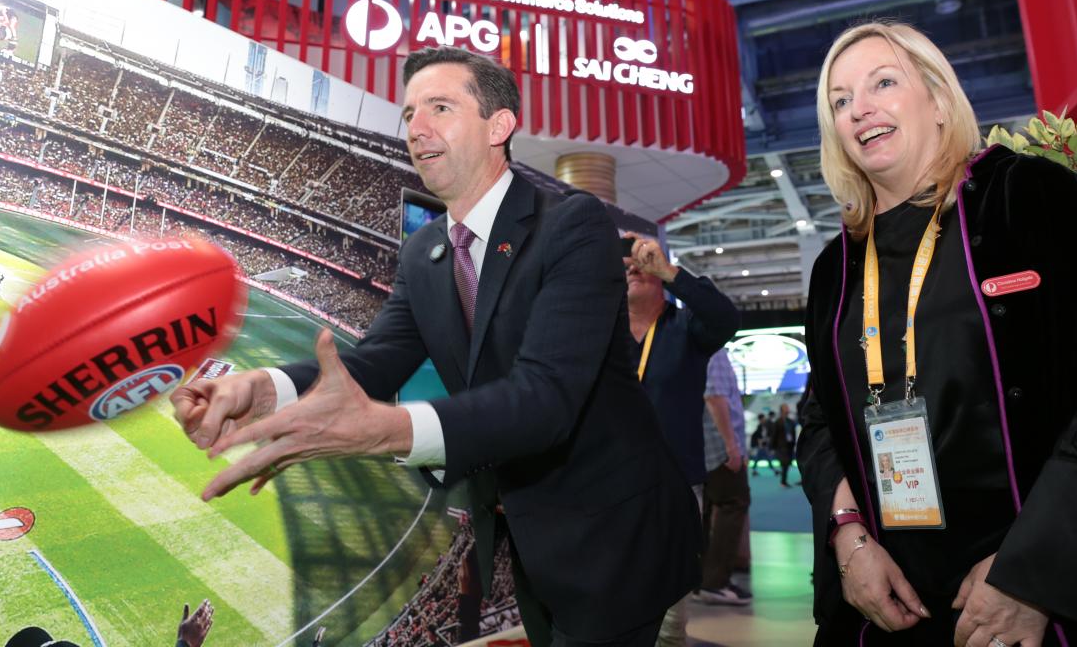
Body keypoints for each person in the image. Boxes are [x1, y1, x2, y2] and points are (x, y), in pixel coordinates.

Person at [172, 46, 701, 647]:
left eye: (440, 107)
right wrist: (261, 388)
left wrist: (386, 429)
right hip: (531, 538)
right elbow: (376, 361)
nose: (416, 128)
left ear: (499, 126)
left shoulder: (570, 225)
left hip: (615, 535)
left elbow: (547, 396)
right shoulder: (425, 256)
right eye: (409, 113)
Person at [796, 21, 1077, 646]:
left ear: (938, 99)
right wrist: (849, 538)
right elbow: (820, 419)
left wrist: (1033, 572)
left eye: (884, 82)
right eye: (840, 100)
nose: (860, 109)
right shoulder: (837, 265)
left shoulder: (1029, 198)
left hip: (1027, 596)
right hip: (885, 599)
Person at [623, 233, 740, 645]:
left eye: (642, 264)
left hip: (674, 487)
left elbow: (726, 318)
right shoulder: (605, 333)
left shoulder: (686, 329)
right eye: (626, 268)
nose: (633, 270)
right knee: (615, 598)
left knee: (669, 612)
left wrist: (670, 271)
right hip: (612, 487)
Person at [695, 347, 754, 606]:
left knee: (707, 511)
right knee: (733, 503)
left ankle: (703, 580)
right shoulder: (714, 351)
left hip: (705, 448)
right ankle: (714, 582)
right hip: (719, 449)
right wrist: (731, 446)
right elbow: (715, 397)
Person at [771, 402, 798, 487]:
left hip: (790, 445)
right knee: (785, 463)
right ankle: (783, 481)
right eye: (786, 407)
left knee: (787, 463)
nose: (788, 409)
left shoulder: (791, 421)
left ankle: (783, 481)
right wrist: (773, 446)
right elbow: (774, 434)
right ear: (782, 410)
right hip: (781, 445)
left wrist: (794, 443)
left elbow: (793, 433)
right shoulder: (777, 422)